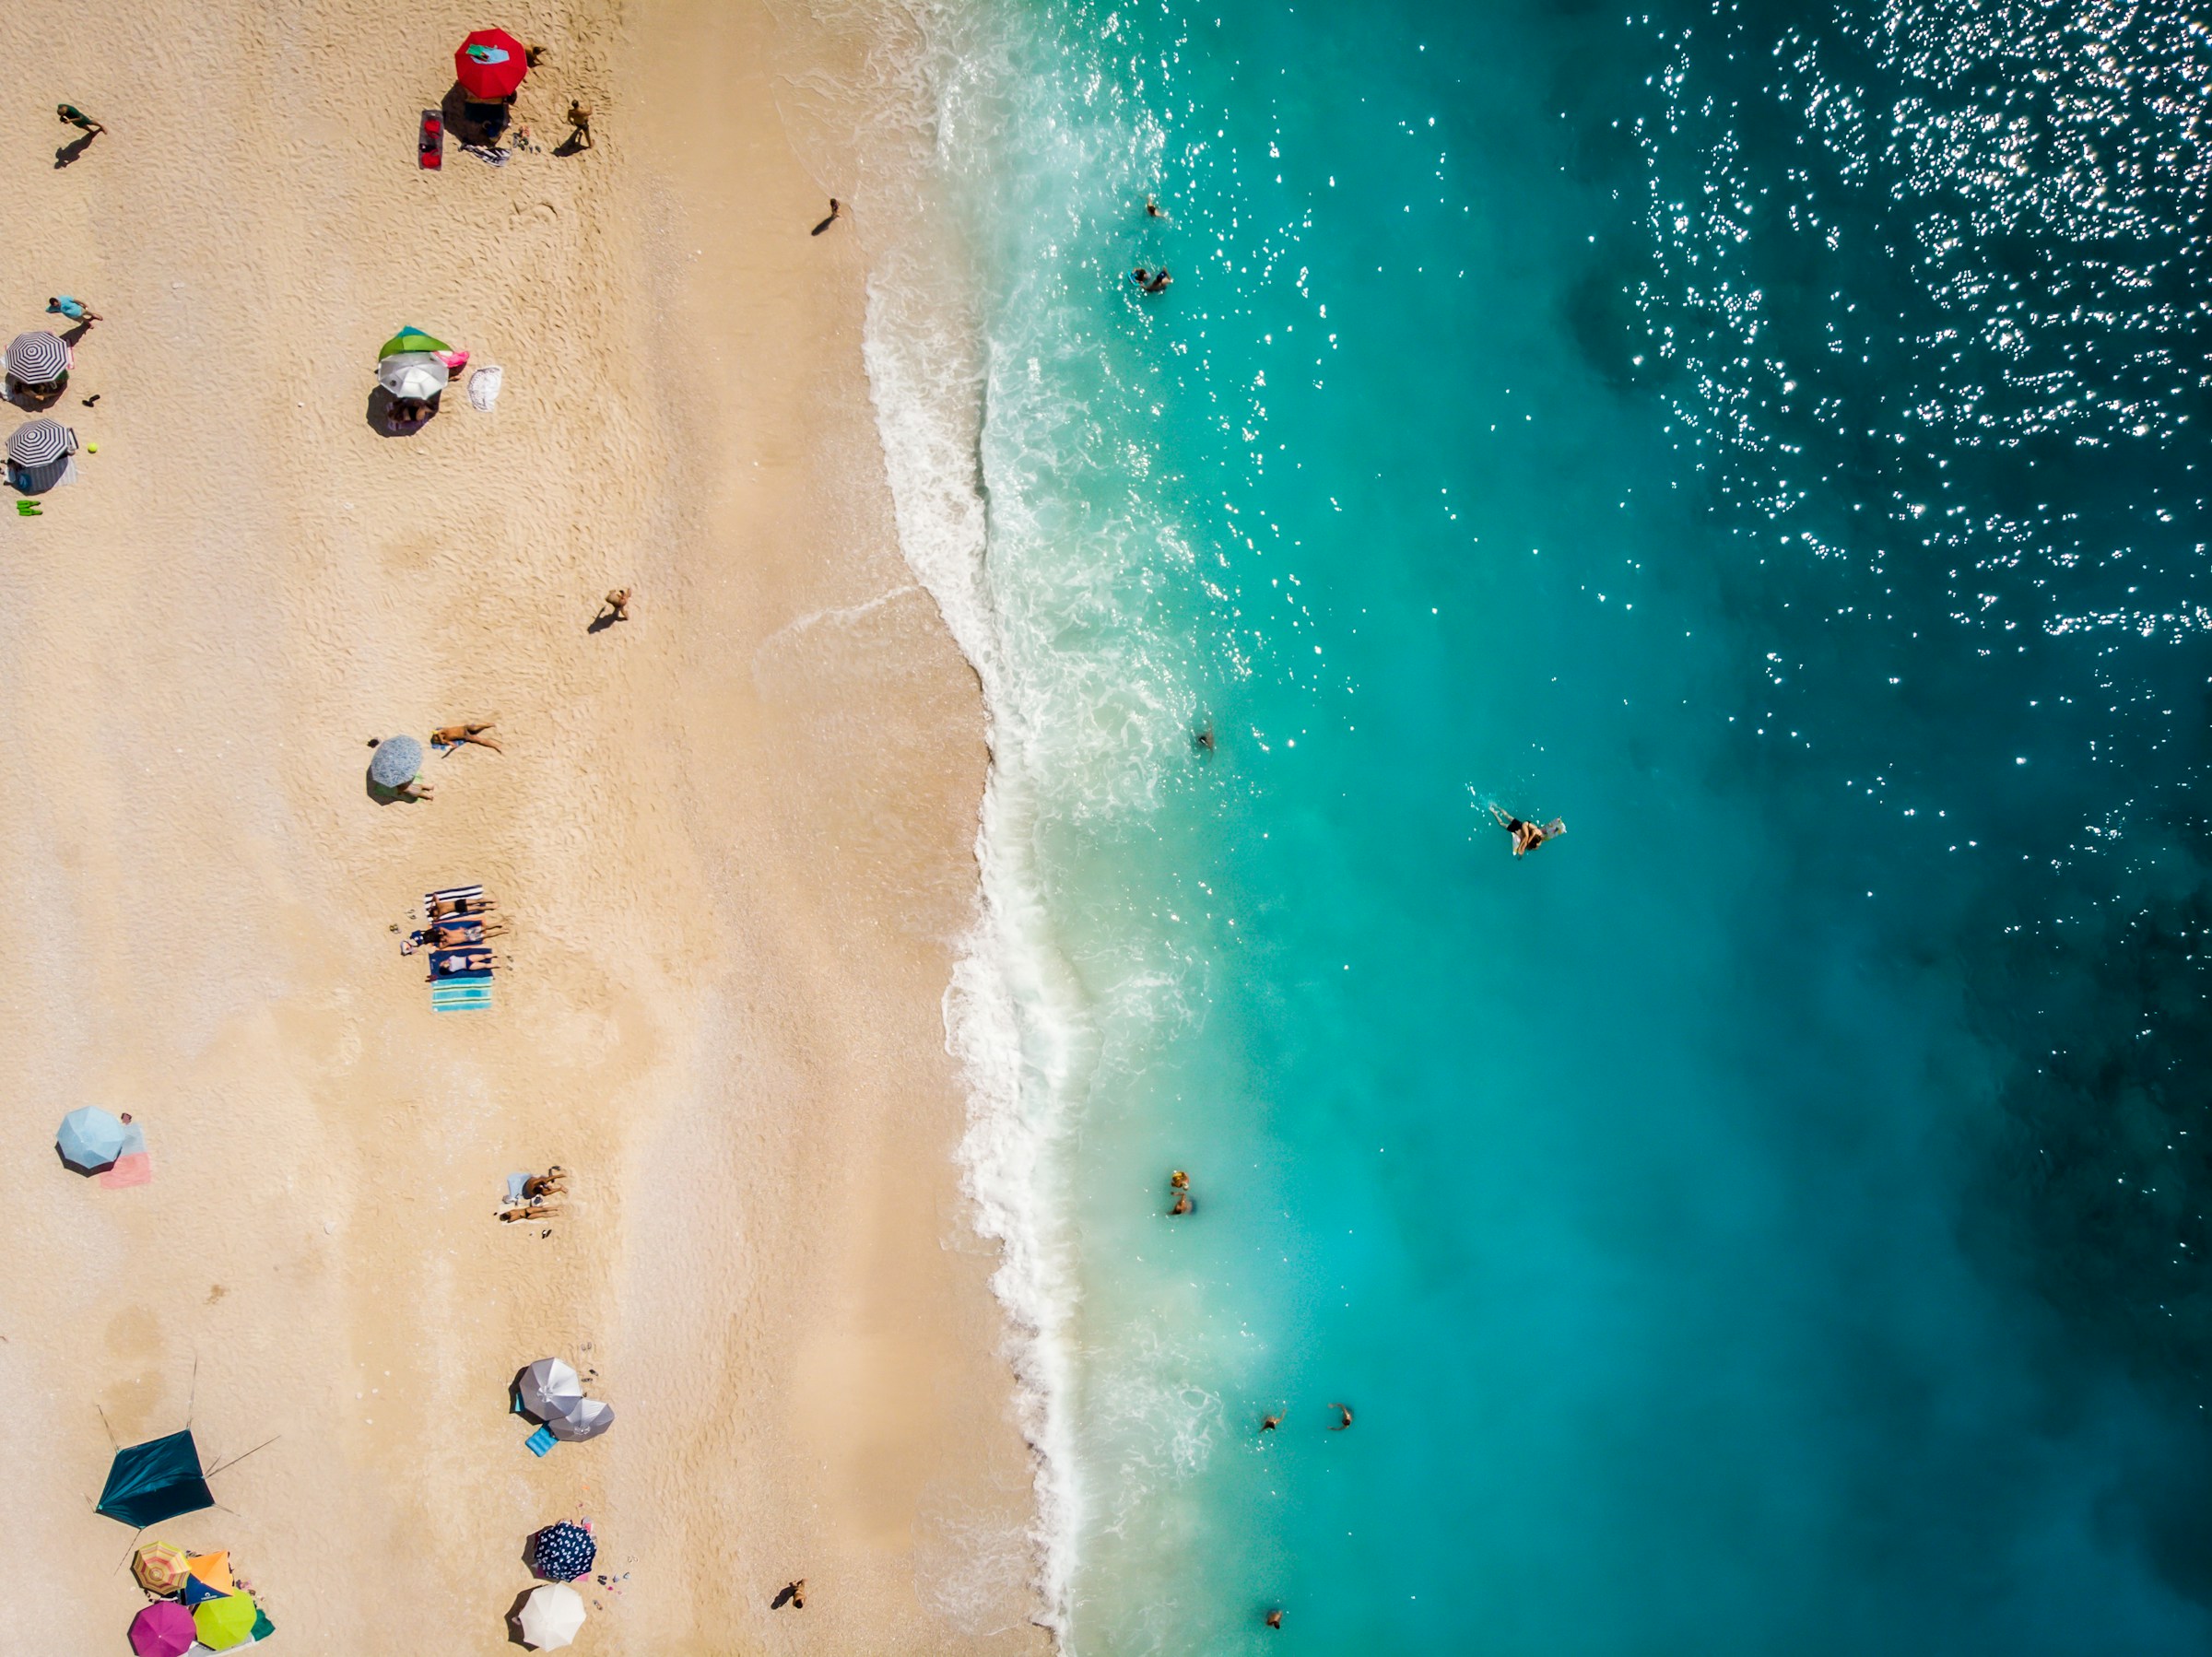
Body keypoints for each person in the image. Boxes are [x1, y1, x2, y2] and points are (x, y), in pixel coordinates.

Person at [1489, 803, 1565, 857]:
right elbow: (1536, 837)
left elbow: (1532, 845)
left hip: (1518, 828)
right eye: (1538, 845)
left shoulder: (1531, 841)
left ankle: (1494, 811)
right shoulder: (1532, 836)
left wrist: (1521, 852)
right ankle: (1496, 807)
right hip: (1521, 826)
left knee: (1504, 820)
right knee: (1504, 819)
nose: (1538, 847)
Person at [432, 721, 501, 752]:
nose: (438, 737)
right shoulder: (447, 740)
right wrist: (448, 744)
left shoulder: (444, 730)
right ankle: (496, 746)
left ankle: (486, 725)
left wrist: (441, 740)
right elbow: (453, 745)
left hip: (465, 728)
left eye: (436, 737)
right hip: (466, 737)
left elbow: (438, 732)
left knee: (475, 728)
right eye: (437, 739)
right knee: (480, 741)